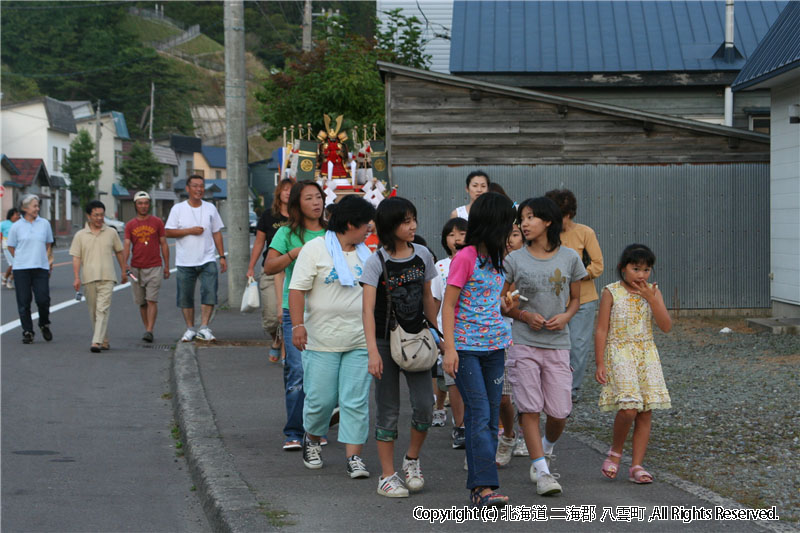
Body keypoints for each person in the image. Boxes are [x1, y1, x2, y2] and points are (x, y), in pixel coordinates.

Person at [501, 196, 586, 496]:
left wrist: (565, 317)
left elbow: (576, 299)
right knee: (530, 407)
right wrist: (522, 314)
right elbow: (502, 303)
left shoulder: (571, 258)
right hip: (523, 343)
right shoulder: (513, 260)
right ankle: (543, 471)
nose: (524, 223)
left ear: (548, 221)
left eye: (531, 217)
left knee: (560, 411)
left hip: (558, 344)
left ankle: (545, 450)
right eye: (522, 218)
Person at [288, 195, 376, 477]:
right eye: (365, 225)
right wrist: (297, 325)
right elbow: (297, 289)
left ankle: (354, 457)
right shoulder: (315, 249)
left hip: (359, 340)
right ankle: (312, 439)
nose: (369, 230)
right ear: (350, 224)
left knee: (355, 400)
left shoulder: (367, 254)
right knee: (321, 400)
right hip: (322, 340)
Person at [441, 192, 516, 508]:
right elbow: (449, 305)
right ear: (493, 224)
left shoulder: (499, 259)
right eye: (509, 227)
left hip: (495, 347)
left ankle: (481, 486)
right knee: (480, 414)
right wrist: (450, 349)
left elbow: (486, 300)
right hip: (467, 350)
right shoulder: (465, 256)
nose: (514, 233)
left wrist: (503, 303)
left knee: (487, 416)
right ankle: (483, 487)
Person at [361, 197, 438, 498]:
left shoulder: (423, 255)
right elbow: (367, 310)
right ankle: (387, 475)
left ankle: (412, 460)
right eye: (406, 221)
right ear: (390, 227)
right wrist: (372, 352)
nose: (413, 226)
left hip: (417, 338)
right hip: (384, 340)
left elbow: (429, 298)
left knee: (425, 407)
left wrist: (440, 335)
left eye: (413, 219)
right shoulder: (375, 261)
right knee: (388, 409)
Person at [595, 244, 671, 484]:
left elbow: (666, 326)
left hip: (646, 353)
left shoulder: (653, 292)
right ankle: (615, 452)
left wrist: (652, 299)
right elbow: (601, 329)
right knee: (628, 408)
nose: (641, 275)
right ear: (622, 268)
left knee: (645, 410)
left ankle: (637, 465)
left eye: (646, 269)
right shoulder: (611, 292)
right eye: (636, 268)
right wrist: (599, 362)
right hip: (619, 351)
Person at [264, 180, 326, 451]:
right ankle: (293, 431)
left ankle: (314, 429)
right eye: (309, 198)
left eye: (319, 197)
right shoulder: (287, 233)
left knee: (321, 373)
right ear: (297, 204)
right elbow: (269, 267)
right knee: (298, 370)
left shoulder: (332, 233)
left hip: (326, 311)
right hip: (294, 311)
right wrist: (294, 253)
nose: (316, 202)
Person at [545, 189, 604, 402]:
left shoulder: (585, 232)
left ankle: (571, 390)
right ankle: (552, 386)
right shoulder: (544, 234)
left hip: (584, 299)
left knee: (578, 346)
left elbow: (598, 265)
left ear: (569, 214)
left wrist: (577, 276)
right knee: (552, 346)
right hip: (552, 300)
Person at [165, 175, 226, 342]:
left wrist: (222, 256)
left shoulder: (210, 208)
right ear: (187, 189)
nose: (199, 189)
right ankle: (190, 328)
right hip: (185, 261)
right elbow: (168, 232)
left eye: (201, 186)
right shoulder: (178, 209)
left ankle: (204, 327)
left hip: (207, 258)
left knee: (210, 292)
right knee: (185, 296)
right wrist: (189, 230)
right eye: (195, 186)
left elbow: (216, 232)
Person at [430, 217, 468, 451]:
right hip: (448, 336)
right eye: (452, 235)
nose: (457, 239)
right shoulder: (440, 267)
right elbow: (433, 304)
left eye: (462, 233)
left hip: (475, 333)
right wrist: (438, 337)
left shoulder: (478, 262)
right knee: (453, 383)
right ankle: (460, 426)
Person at [70, 200, 128, 352]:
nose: (99, 218)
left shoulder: (111, 232)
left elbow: (119, 252)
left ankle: (96, 342)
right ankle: (104, 340)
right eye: (96, 215)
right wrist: (76, 277)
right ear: (88, 216)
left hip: (108, 277)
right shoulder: (80, 235)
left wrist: (123, 270)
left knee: (102, 309)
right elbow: (76, 257)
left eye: (102, 215)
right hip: (88, 278)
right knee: (94, 312)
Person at [247, 178, 293, 363]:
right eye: (285, 189)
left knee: (289, 313)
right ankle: (276, 340)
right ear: (279, 193)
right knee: (271, 318)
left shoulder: (300, 216)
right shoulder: (268, 216)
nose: (288, 193)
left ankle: (285, 350)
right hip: (271, 270)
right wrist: (251, 267)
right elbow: (259, 243)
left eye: (291, 189)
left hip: (293, 269)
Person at [496, 222, 526, 466]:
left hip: (526, 335)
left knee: (528, 394)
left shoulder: (529, 266)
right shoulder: (491, 267)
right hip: (497, 337)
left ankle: (528, 435)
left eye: (515, 234)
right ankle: (507, 434)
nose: (509, 240)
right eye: (505, 235)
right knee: (504, 397)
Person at [123, 191, 170, 343]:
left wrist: (167, 266)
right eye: (140, 203)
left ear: (149, 204)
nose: (143, 206)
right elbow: (127, 245)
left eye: (146, 203)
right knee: (141, 302)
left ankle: (150, 329)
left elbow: (163, 243)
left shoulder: (157, 222)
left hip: (154, 266)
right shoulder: (130, 225)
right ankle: (147, 329)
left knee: (151, 300)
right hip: (136, 268)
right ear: (135, 205)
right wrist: (125, 265)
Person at [7, 195, 53, 344]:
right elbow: (11, 246)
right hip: (21, 269)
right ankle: (27, 331)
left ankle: (44, 323)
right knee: (24, 301)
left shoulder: (44, 224)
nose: (37, 208)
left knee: (43, 299)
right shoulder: (16, 226)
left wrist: (43, 259)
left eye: (38, 206)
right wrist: (22, 258)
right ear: (25, 208)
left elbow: (48, 244)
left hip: (40, 267)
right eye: (34, 206)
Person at [2, 207, 21, 289]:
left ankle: (5, 278)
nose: (17, 216)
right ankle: (9, 281)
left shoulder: (19, 224)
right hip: (7, 247)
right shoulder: (4, 224)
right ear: (11, 215)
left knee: (13, 265)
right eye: (16, 215)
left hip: (17, 247)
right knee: (15, 264)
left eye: (18, 215)